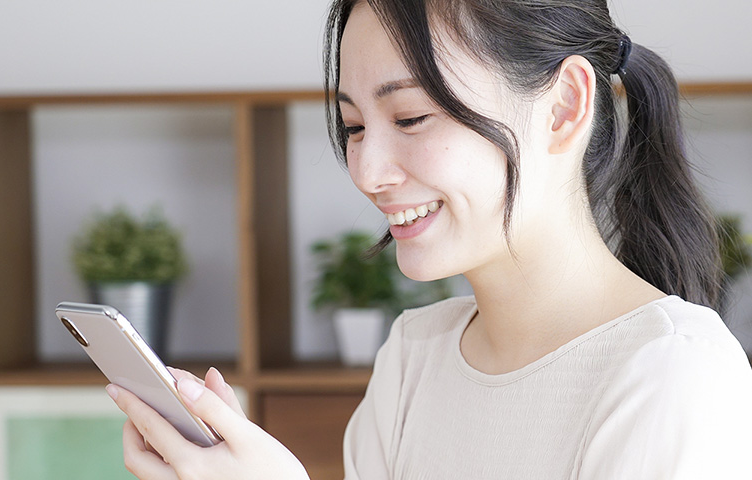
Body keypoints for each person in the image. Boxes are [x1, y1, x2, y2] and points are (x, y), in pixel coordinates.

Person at [107, 0, 752, 478]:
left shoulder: (674, 374)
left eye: (411, 116)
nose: (366, 170)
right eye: (355, 126)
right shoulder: (415, 357)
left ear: (562, 107)